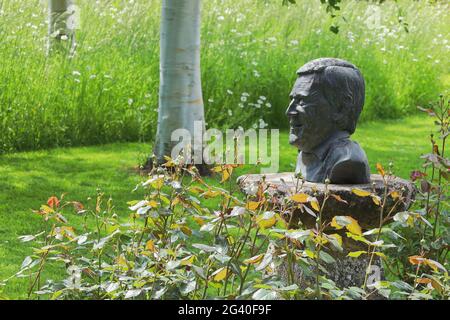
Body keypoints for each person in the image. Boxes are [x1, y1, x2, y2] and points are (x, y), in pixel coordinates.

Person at [286, 58, 370, 184]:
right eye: (292, 100)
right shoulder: (306, 154)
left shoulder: (349, 161)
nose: (289, 112)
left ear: (341, 108)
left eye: (302, 101)